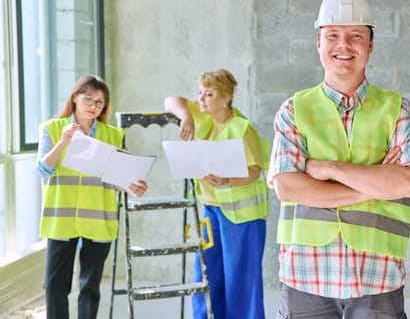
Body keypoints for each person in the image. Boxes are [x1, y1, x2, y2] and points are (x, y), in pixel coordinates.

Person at [267, 0, 410, 319]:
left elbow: (409, 182)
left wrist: (326, 168)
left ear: (371, 45)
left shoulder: (398, 110)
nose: (344, 45)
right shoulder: (292, 111)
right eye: (333, 35)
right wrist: (375, 185)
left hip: (377, 276)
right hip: (305, 276)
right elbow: (289, 187)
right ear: (318, 44)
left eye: (356, 35)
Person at [36, 75, 148, 319]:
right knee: (55, 286)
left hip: (99, 221)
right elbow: (43, 169)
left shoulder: (113, 135)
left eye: (100, 102)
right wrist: (64, 142)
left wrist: (132, 186)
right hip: (61, 221)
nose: (94, 106)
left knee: (90, 287)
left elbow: (118, 178)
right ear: (75, 97)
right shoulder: (52, 129)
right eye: (88, 99)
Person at [164, 68, 270, 319]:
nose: (201, 99)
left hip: (243, 217)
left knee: (240, 280)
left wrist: (226, 180)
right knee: (207, 272)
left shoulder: (242, 129)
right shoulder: (204, 117)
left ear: (225, 98)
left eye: (208, 94)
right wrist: (185, 118)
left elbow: (254, 171)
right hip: (211, 209)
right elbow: (171, 101)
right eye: (199, 93)